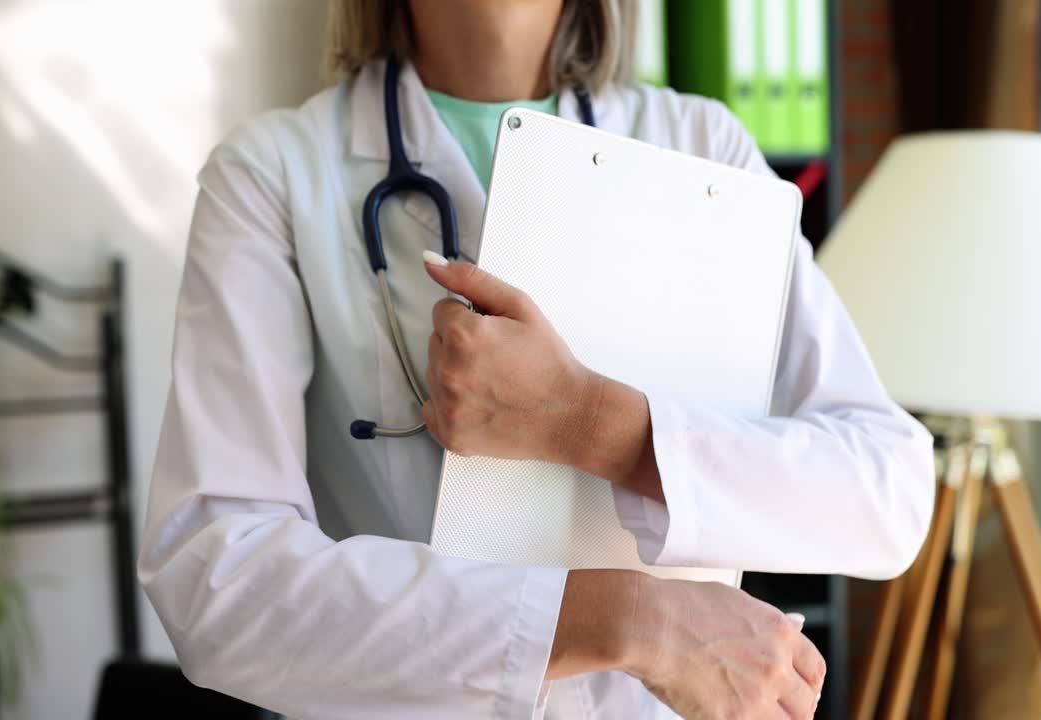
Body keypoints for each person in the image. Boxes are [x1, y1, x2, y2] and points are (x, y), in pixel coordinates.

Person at [138, 1, 935, 718]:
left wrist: (592, 423)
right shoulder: (271, 177)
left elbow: (886, 492)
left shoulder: (703, 149)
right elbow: (218, 581)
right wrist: (629, 620)